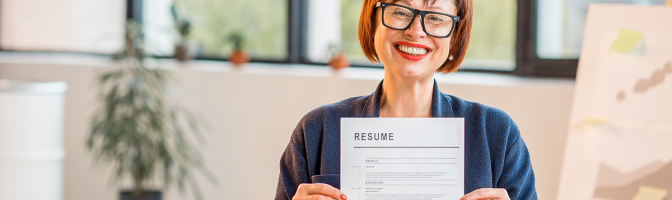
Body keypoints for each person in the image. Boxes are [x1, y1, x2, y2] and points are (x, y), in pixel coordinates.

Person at [275, 0, 537, 199]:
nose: (416, 31)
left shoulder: (498, 134)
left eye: (436, 18)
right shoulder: (316, 130)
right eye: (400, 11)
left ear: (455, 35)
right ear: (373, 20)